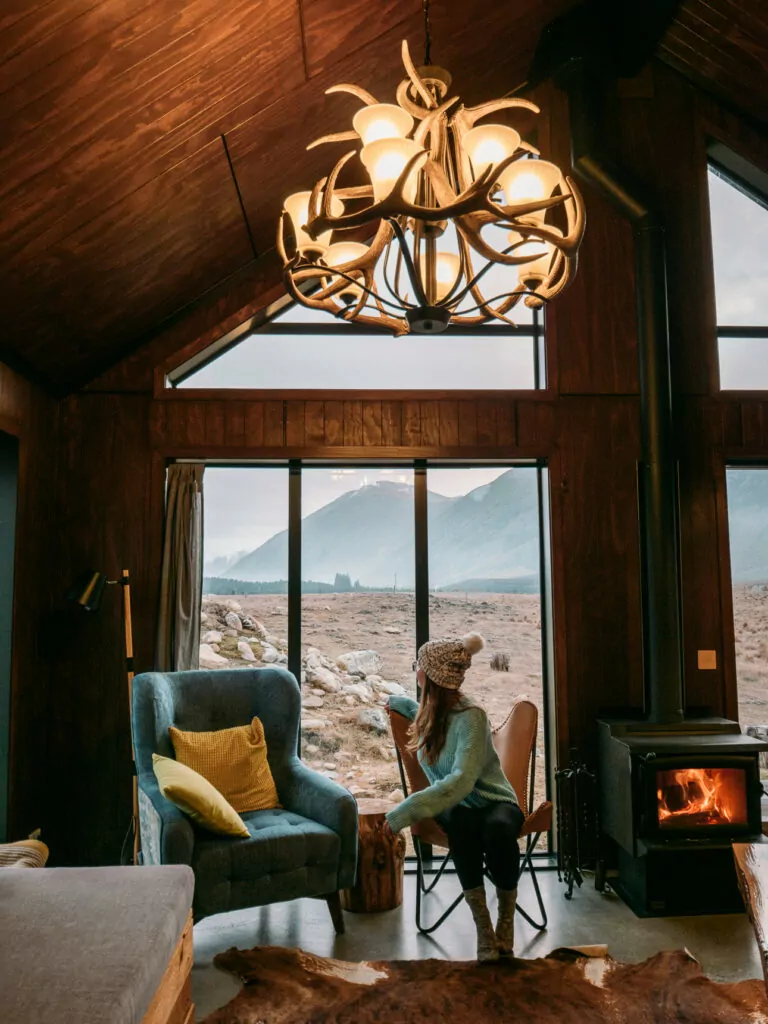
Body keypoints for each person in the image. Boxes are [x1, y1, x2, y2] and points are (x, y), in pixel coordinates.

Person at [383, 632, 524, 962]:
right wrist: (395, 701)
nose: (416, 670)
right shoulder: (428, 712)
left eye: (419, 666)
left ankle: (505, 920)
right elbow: (411, 705)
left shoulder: (472, 717)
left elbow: (460, 782)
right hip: (456, 807)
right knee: (462, 823)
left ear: (430, 676)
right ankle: (483, 928)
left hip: (493, 800)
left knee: (499, 828)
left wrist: (403, 813)